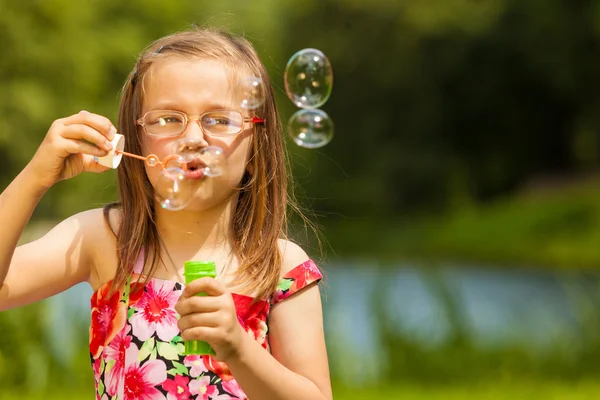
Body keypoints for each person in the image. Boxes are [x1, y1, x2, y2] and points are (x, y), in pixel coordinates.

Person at [0, 27, 332, 400]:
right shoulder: (106, 240)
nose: (193, 138)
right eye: (168, 119)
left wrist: (239, 349)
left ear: (257, 144)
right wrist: (34, 178)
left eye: (219, 120)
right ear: (136, 137)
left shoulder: (279, 265)